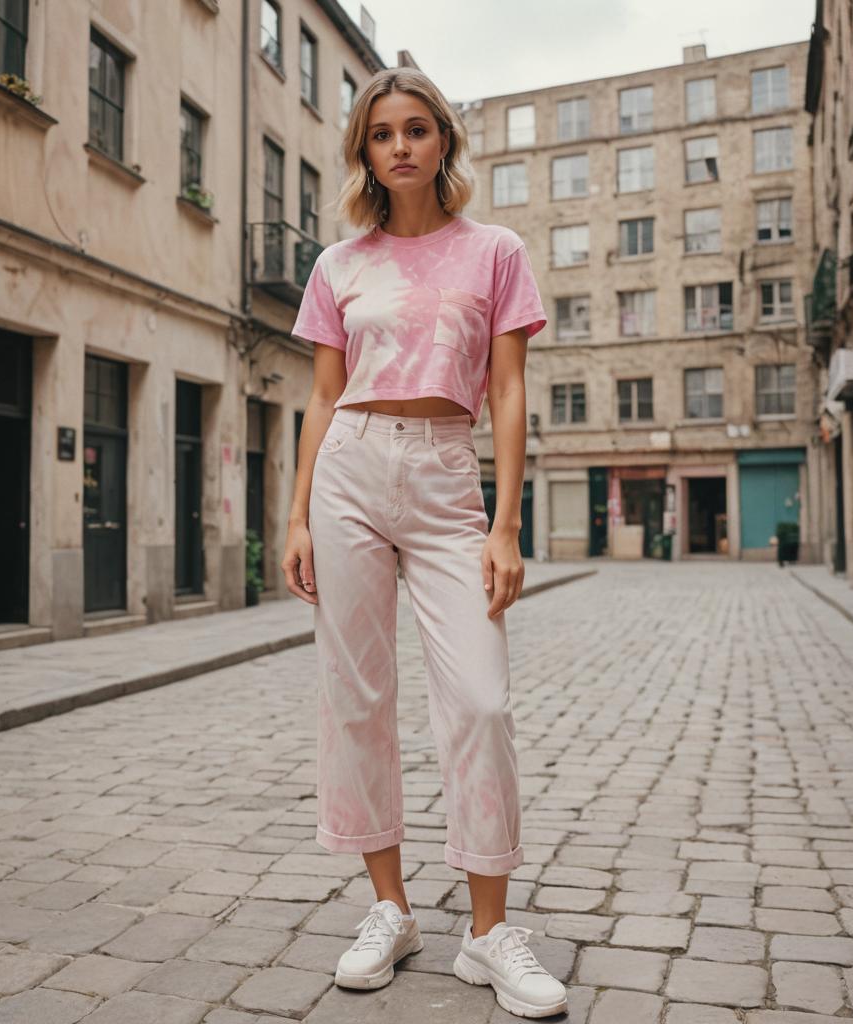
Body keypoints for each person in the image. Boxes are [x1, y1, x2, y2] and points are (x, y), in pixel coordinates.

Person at [280, 67, 567, 1019]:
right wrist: (293, 516)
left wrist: (508, 524)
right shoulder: (337, 265)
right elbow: (322, 396)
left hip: (448, 474)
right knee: (356, 694)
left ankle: (488, 935)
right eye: (380, 134)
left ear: (444, 140)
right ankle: (390, 909)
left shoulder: (495, 251)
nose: (399, 146)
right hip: (350, 470)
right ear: (364, 151)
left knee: (480, 700)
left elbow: (510, 390)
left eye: (416, 129)